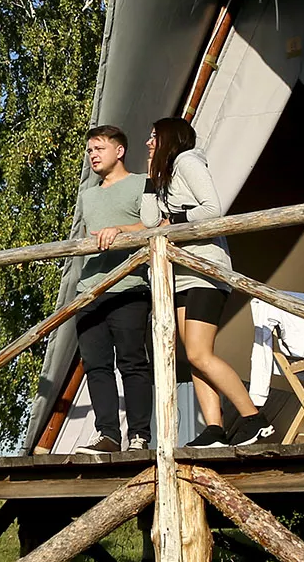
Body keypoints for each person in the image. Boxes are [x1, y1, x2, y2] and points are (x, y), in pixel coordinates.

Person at [140, 117, 274, 446]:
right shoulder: (164, 175)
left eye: (154, 136)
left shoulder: (187, 161)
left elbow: (213, 209)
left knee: (200, 353)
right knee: (193, 354)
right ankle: (214, 429)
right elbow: (148, 221)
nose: (148, 142)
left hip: (204, 268)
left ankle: (254, 419)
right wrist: (149, 177)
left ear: (170, 138)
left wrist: (177, 220)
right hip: (181, 275)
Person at [74, 125, 152, 455]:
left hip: (129, 286)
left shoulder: (142, 183)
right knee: (96, 366)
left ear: (119, 151)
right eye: (90, 150)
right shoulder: (87, 195)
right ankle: (108, 435)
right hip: (89, 291)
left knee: (132, 362)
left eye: (99, 148)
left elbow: (157, 225)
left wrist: (119, 229)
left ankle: (139, 436)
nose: (92, 155)